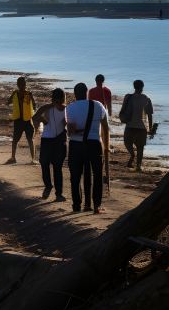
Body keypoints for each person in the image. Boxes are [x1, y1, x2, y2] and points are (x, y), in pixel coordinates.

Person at [66, 82, 110, 213]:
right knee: (97, 175)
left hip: (76, 145)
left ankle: (77, 205)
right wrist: (106, 146)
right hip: (94, 144)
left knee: (75, 176)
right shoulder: (98, 105)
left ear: (75, 94)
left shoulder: (70, 108)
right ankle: (96, 206)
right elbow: (106, 127)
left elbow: (69, 132)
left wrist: (80, 130)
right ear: (86, 93)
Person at [33, 88, 68, 202]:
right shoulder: (47, 108)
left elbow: (68, 123)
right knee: (45, 164)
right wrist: (44, 120)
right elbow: (35, 117)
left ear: (63, 99)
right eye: (56, 99)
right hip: (48, 139)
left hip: (58, 140)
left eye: (59, 99)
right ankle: (49, 186)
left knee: (57, 167)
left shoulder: (66, 110)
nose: (58, 101)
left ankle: (58, 193)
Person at [120, 80, 155, 171]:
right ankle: (138, 165)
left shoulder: (128, 97)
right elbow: (150, 115)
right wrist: (150, 128)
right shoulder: (146, 99)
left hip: (130, 126)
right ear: (142, 87)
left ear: (134, 86)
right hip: (141, 127)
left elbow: (123, 109)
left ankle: (132, 155)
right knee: (140, 148)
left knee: (127, 143)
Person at [6, 77, 36, 164]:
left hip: (27, 120)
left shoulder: (29, 94)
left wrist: (33, 115)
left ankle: (33, 159)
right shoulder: (15, 93)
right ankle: (13, 158)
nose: (22, 86)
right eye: (21, 84)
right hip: (18, 120)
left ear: (25, 84)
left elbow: (34, 105)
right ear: (18, 85)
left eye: (24, 84)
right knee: (15, 140)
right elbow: (8, 102)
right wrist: (12, 97)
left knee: (30, 139)